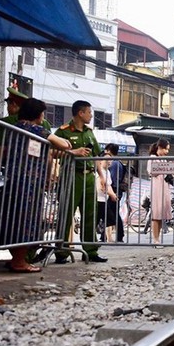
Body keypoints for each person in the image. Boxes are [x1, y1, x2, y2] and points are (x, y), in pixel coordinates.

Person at [5, 98, 71, 272]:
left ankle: (16, 259)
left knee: (13, 219)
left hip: (13, 178)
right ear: (37, 114)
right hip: (30, 182)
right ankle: (19, 261)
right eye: (42, 113)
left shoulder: (13, 128)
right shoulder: (35, 129)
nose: (43, 116)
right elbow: (64, 144)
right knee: (26, 220)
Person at [54, 100, 107, 263]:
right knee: (66, 213)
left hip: (89, 177)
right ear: (80, 113)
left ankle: (91, 251)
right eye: (89, 112)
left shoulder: (89, 132)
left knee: (91, 214)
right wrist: (72, 152)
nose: (91, 115)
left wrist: (102, 175)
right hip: (71, 176)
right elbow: (53, 152)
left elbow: (96, 155)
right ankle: (61, 252)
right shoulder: (63, 132)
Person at [147, 139, 173, 246]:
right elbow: (151, 172)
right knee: (156, 214)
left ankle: (158, 239)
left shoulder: (163, 160)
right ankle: (155, 239)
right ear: (160, 148)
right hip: (157, 188)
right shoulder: (152, 159)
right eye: (166, 149)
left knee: (161, 214)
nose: (167, 152)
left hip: (163, 187)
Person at [104, 143, 126, 243]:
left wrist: (112, 193)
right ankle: (106, 236)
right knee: (111, 213)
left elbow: (113, 180)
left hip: (114, 191)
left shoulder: (114, 163)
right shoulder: (118, 162)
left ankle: (119, 236)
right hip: (115, 191)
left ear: (108, 151)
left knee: (112, 213)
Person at [96, 153, 117, 243]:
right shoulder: (99, 172)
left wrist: (113, 195)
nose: (109, 162)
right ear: (100, 161)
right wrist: (112, 195)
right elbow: (102, 187)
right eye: (107, 160)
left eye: (110, 160)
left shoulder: (107, 172)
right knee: (105, 219)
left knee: (109, 219)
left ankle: (106, 237)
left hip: (104, 199)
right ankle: (100, 236)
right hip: (98, 199)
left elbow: (109, 185)